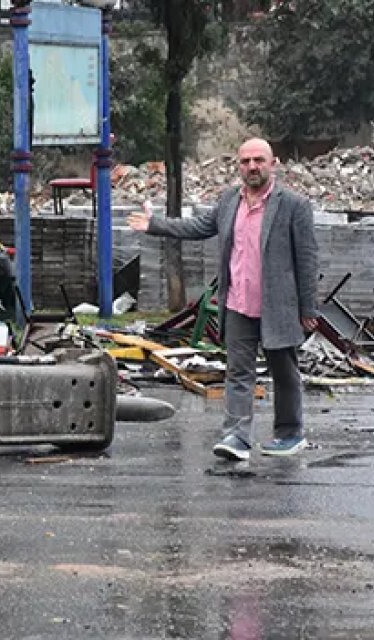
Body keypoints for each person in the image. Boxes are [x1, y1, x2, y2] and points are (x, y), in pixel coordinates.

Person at [127, 138, 319, 461]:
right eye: (245, 162)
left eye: (259, 160)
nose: (252, 167)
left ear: (274, 164)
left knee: (284, 372)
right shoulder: (230, 200)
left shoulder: (293, 205)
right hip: (238, 303)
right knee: (238, 372)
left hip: (278, 305)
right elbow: (199, 227)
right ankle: (237, 437)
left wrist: (308, 307)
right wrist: (155, 225)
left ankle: (290, 433)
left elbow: (308, 258)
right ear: (239, 167)